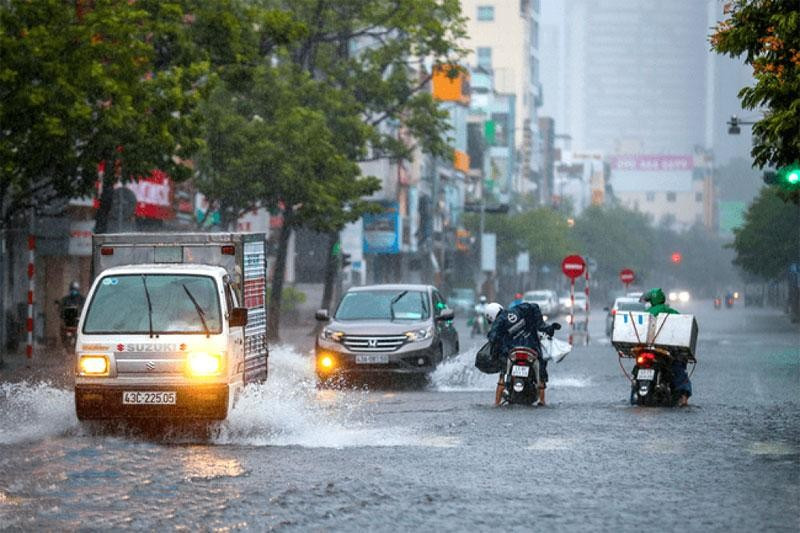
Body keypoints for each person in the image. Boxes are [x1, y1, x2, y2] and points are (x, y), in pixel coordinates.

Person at [485, 301, 560, 406]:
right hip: (532, 349)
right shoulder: (519, 309)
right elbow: (534, 306)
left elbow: (493, 338)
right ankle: (542, 400)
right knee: (541, 372)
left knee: (502, 375)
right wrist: (544, 326)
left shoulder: (499, 321)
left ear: (491, 316)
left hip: (512, 352)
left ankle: (496, 402)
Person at [640, 288, 692, 407]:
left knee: (637, 367)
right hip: (665, 349)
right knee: (679, 369)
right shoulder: (672, 311)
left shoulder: (647, 313)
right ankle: (683, 396)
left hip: (646, 348)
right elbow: (682, 326)